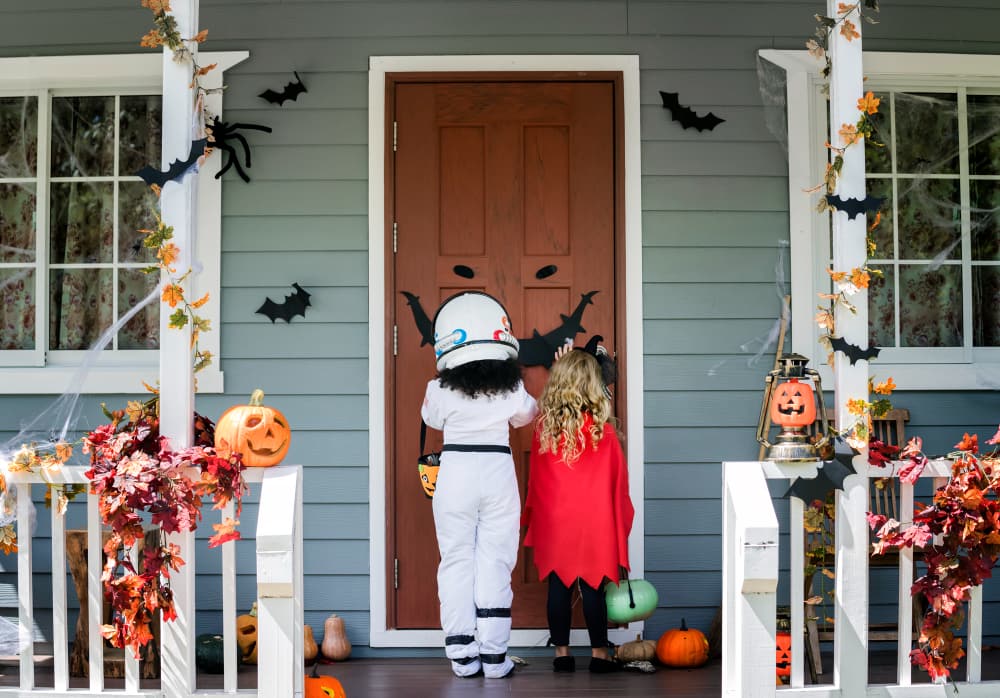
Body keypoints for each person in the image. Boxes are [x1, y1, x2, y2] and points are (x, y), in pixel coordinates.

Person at [421, 291, 538, 679]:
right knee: (496, 560)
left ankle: (462, 656)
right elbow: (527, 415)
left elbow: (433, 420)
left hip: (455, 470)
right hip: (496, 470)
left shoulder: (438, 389)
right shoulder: (510, 389)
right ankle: (493, 655)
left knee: (455, 560)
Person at [522, 336, 634, 673]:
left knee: (557, 585)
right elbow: (619, 487)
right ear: (593, 386)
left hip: (557, 522)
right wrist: (619, 523)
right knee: (594, 586)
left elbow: (537, 483)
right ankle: (599, 656)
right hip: (595, 523)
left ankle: (562, 655)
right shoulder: (604, 432)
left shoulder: (544, 429)